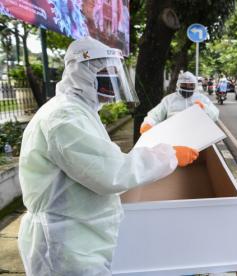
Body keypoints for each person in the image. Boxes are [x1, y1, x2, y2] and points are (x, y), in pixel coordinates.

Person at [17, 36, 199, 275]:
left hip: (78, 236)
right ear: (83, 72)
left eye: (116, 74)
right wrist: (169, 156)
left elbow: (100, 159)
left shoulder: (80, 111)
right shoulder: (64, 117)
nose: (113, 81)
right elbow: (111, 172)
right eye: (107, 74)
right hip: (64, 244)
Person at [140, 71, 219, 134]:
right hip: (172, 135)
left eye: (191, 85)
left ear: (195, 86)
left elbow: (215, 115)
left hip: (196, 134)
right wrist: (148, 123)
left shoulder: (201, 98)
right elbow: (155, 115)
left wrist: (204, 108)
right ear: (179, 85)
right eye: (184, 84)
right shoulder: (169, 99)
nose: (187, 87)